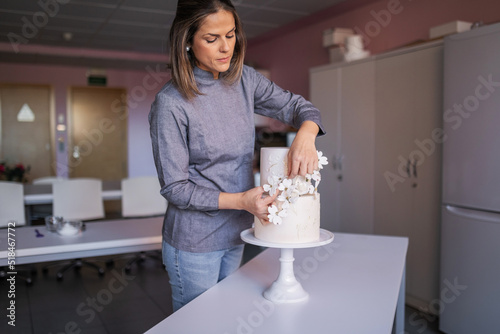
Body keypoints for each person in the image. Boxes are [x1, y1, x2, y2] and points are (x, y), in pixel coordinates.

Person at [149, 0, 325, 312]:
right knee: (198, 323)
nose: (225, 48)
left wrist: (306, 134)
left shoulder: (245, 79)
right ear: (187, 41)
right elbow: (175, 188)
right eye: (211, 38)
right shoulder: (171, 103)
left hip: (238, 232)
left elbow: (300, 108)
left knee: (226, 318)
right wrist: (241, 201)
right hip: (195, 242)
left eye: (230, 35)